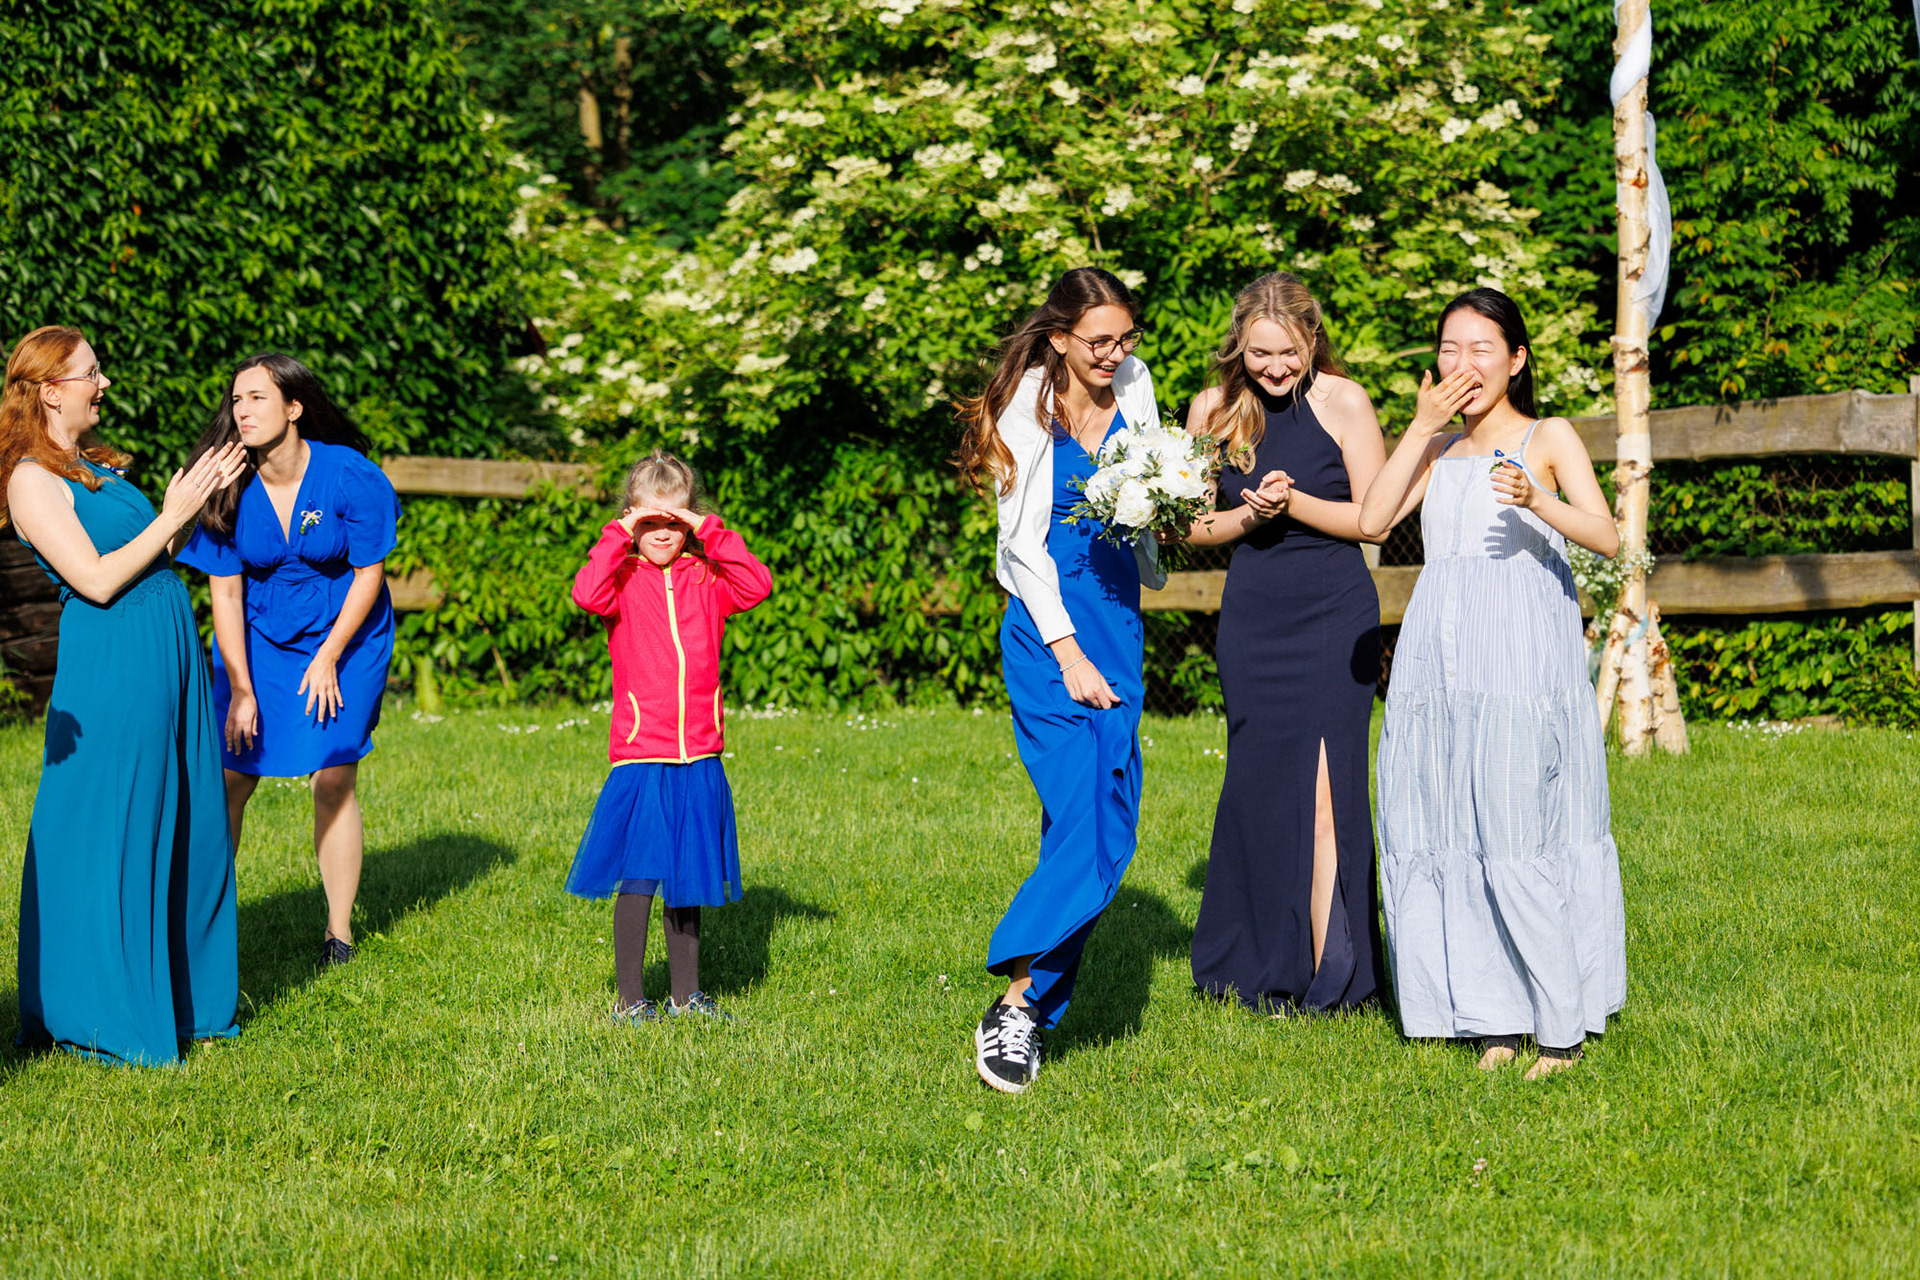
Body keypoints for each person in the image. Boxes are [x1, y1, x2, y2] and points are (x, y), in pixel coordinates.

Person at [1357, 288, 1626, 1078]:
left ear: (1516, 359)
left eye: (1481, 348)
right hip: (1438, 661)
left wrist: (1538, 499)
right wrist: (1419, 427)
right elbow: (1372, 520)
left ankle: (1560, 1028)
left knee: (1515, 823)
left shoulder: (1549, 436)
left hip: (1517, 657)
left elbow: (1607, 536)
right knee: (1447, 818)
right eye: (1450, 348)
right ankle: (1491, 1018)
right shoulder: (1437, 450)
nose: (1463, 363)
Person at [3, 325, 247, 1064]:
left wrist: (188, 507)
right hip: (113, 661)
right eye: (91, 373)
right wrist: (170, 516)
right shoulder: (31, 480)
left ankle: (188, 998)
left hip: (165, 652)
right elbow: (97, 579)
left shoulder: (94, 467)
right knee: (116, 821)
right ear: (51, 391)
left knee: (187, 816)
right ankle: (99, 1007)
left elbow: (149, 554)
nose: (103, 384)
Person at [954, 266, 1168, 1094]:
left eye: (1125, 338)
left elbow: (1149, 487)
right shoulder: (1026, 407)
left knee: (1108, 816)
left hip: (1117, 618)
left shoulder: (1137, 383)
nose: (1115, 354)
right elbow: (1020, 546)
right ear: (1058, 337)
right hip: (1050, 632)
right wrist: (1069, 654)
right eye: (1098, 341)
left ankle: (1029, 1002)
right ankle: (1018, 1002)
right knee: (1088, 817)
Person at [1182, 273, 1387, 1015]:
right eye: (1260, 353)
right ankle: (1257, 961)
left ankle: (1336, 974)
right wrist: (1252, 516)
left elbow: (1374, 517)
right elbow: (1190, 525)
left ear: (1312, 339)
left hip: (1334, 612)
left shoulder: (1346, 401)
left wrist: (1293, 501)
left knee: (1329, 792)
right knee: (1261, 786)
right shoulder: (1211, 409)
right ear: (1239, 345)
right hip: (1254, 618)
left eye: (1289, 353)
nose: (1275, 368)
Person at [177, 354, 401, 969]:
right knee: (233, 778)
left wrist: (329, 655)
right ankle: (202, 929)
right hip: (259, 641)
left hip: (346, 637)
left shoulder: (349, 475)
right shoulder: (225, 480)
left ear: (294, 408)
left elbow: (369, 574)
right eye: (236, 400)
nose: (242, 411)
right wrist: (241, 688)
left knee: (333, 776)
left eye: (257, 398)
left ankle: (338, 935)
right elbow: (225, 593)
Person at [567, 452, 773, 1023]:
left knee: (689, 878)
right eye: (649, 521)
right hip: (643, 755)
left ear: (690, 521)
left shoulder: (707, 578)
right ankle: (630, 1001)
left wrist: (710, 531)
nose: (662, 533)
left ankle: (687, 996)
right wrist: (619, 534)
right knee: (640, 877)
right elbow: (586, 593)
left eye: (674, 522)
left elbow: (757, 584)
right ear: (632, 519)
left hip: (699, 754)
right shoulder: (621, 579)